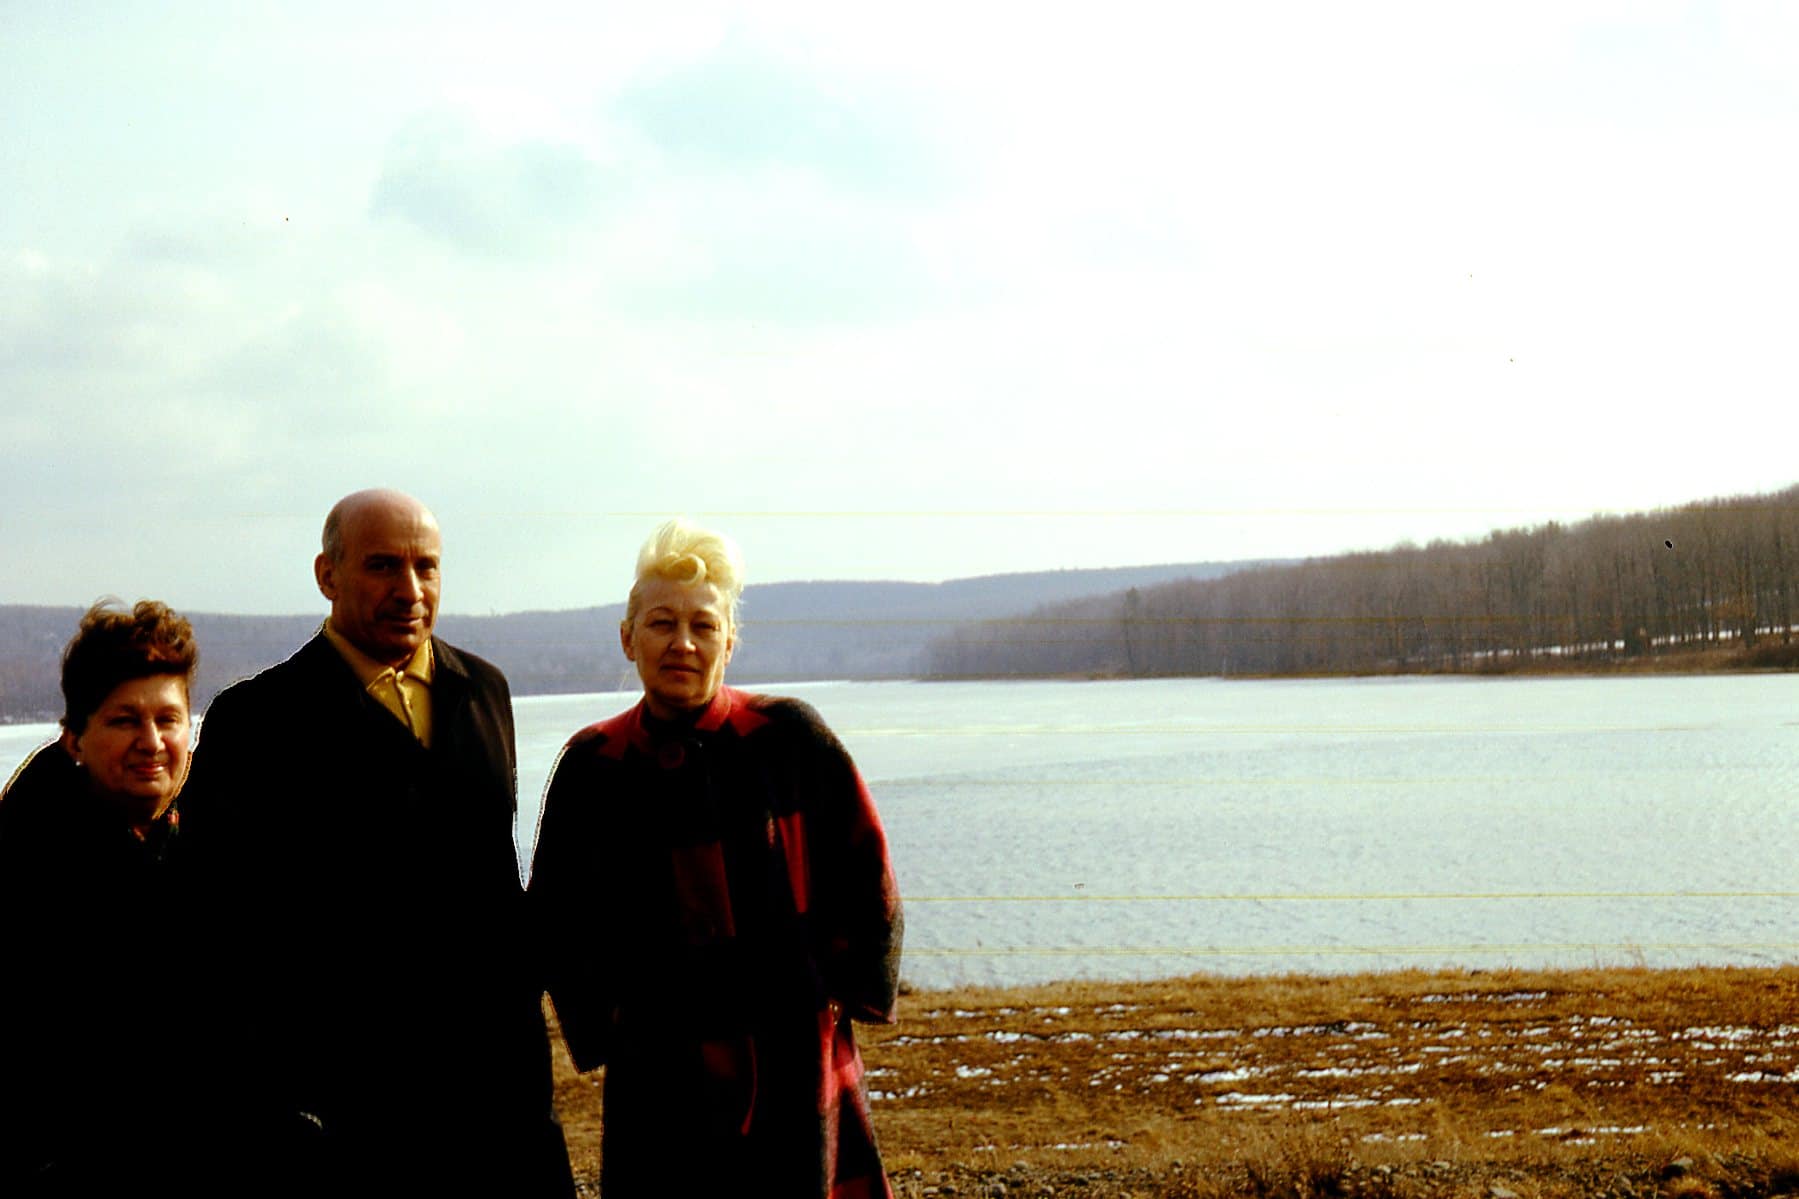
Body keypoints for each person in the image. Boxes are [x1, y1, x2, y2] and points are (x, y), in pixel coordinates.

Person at [180, 488, 573, 1197]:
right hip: (350, 1125)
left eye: (427, 566)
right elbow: (217, 934)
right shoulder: (255, 723)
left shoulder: (484, 690)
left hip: (499, 1109)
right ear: (327, 575)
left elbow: (494, 885)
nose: (410, 589)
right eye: (384, 565)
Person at [529, 518, 904, 1198]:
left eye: (703, 626)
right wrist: (607, 1025)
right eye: (661, 623)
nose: (682, 642)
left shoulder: (789, 737)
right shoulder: (593, 764)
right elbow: (556, 915)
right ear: (628, 637)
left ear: (729, 642)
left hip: (794, 1064)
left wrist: (829, 997)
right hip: (656, 1074)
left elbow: (866, 867)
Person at [0, 600, 200, 1194]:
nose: (152, 742)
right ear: (74, 740)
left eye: (168, 719)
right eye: (124, 721)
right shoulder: (28, 871)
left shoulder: (214, 848)